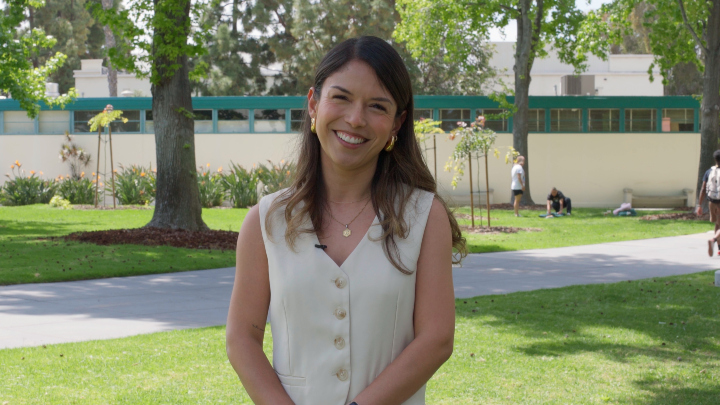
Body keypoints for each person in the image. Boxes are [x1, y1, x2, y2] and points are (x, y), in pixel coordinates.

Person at [225, 36, 467, 405]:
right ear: (313, 104)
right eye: (341, 97)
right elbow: (242, 337)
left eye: (377, 106)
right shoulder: (265, 221)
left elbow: (436, 341)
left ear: (397, 123)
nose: (355, 119)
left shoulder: (424, 216)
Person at [696, 149, 720, 256]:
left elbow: (703, 189)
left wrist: (699, 205)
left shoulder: (709, 171)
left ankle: (719, 248)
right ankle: (714, 239)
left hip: (712, 202)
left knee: (718, 224)